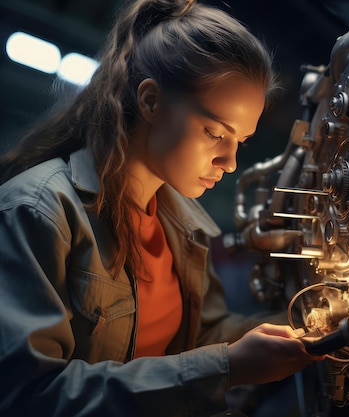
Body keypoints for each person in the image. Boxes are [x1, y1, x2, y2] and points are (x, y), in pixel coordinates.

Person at [0, 0, 323, 416]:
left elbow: (199, 337)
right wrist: (225, 367)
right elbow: (28, 397)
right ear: (151, 102)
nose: (230, 162)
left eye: (239, 141)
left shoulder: (180, 223)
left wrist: (305, 326)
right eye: (214, 132)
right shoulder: (39, 211)